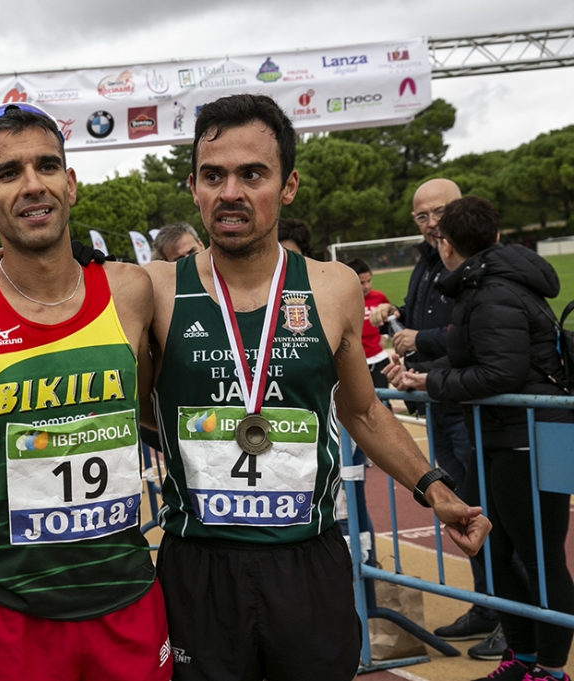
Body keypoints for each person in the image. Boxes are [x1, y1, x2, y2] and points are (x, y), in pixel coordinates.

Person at [141, 94, 489, 680]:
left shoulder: (332, 288)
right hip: (198, 565)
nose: (231, 192)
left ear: (288, 185)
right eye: (213, 175)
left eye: (252, 174)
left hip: (308, 558)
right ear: (194, 187)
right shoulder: (151, 289)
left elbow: (362, 411)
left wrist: (433, 487)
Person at [0, 103, 171, 681]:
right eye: (8, 172)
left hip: (127, 602)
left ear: (69, 183)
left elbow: (148, 413)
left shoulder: (130, 292)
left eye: (46, 166)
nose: (31, 185)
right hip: (10, 616)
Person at [386, 197, 574, 681]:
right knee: (496, 549)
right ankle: (524, 657)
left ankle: (550, 671)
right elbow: (478, 356)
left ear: (446, 245)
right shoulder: (483, 285)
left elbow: (500, 372)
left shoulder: (493, 291)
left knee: (538, 555)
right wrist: (423, 374)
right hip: (502, 438)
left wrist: (430, 382)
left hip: (528, 441)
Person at [371, 179, 501, 650]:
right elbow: (427, 319)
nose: (431, 224)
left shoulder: (476, 263)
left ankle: (512, 620)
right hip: (440, 403)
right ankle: (489, 606)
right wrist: (398, 317)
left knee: (493, 514)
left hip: (473, 407)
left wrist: (420, 342)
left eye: (439, 213)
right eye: (421, 217)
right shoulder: (429, 260)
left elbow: (476, 335)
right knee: (465, 506)